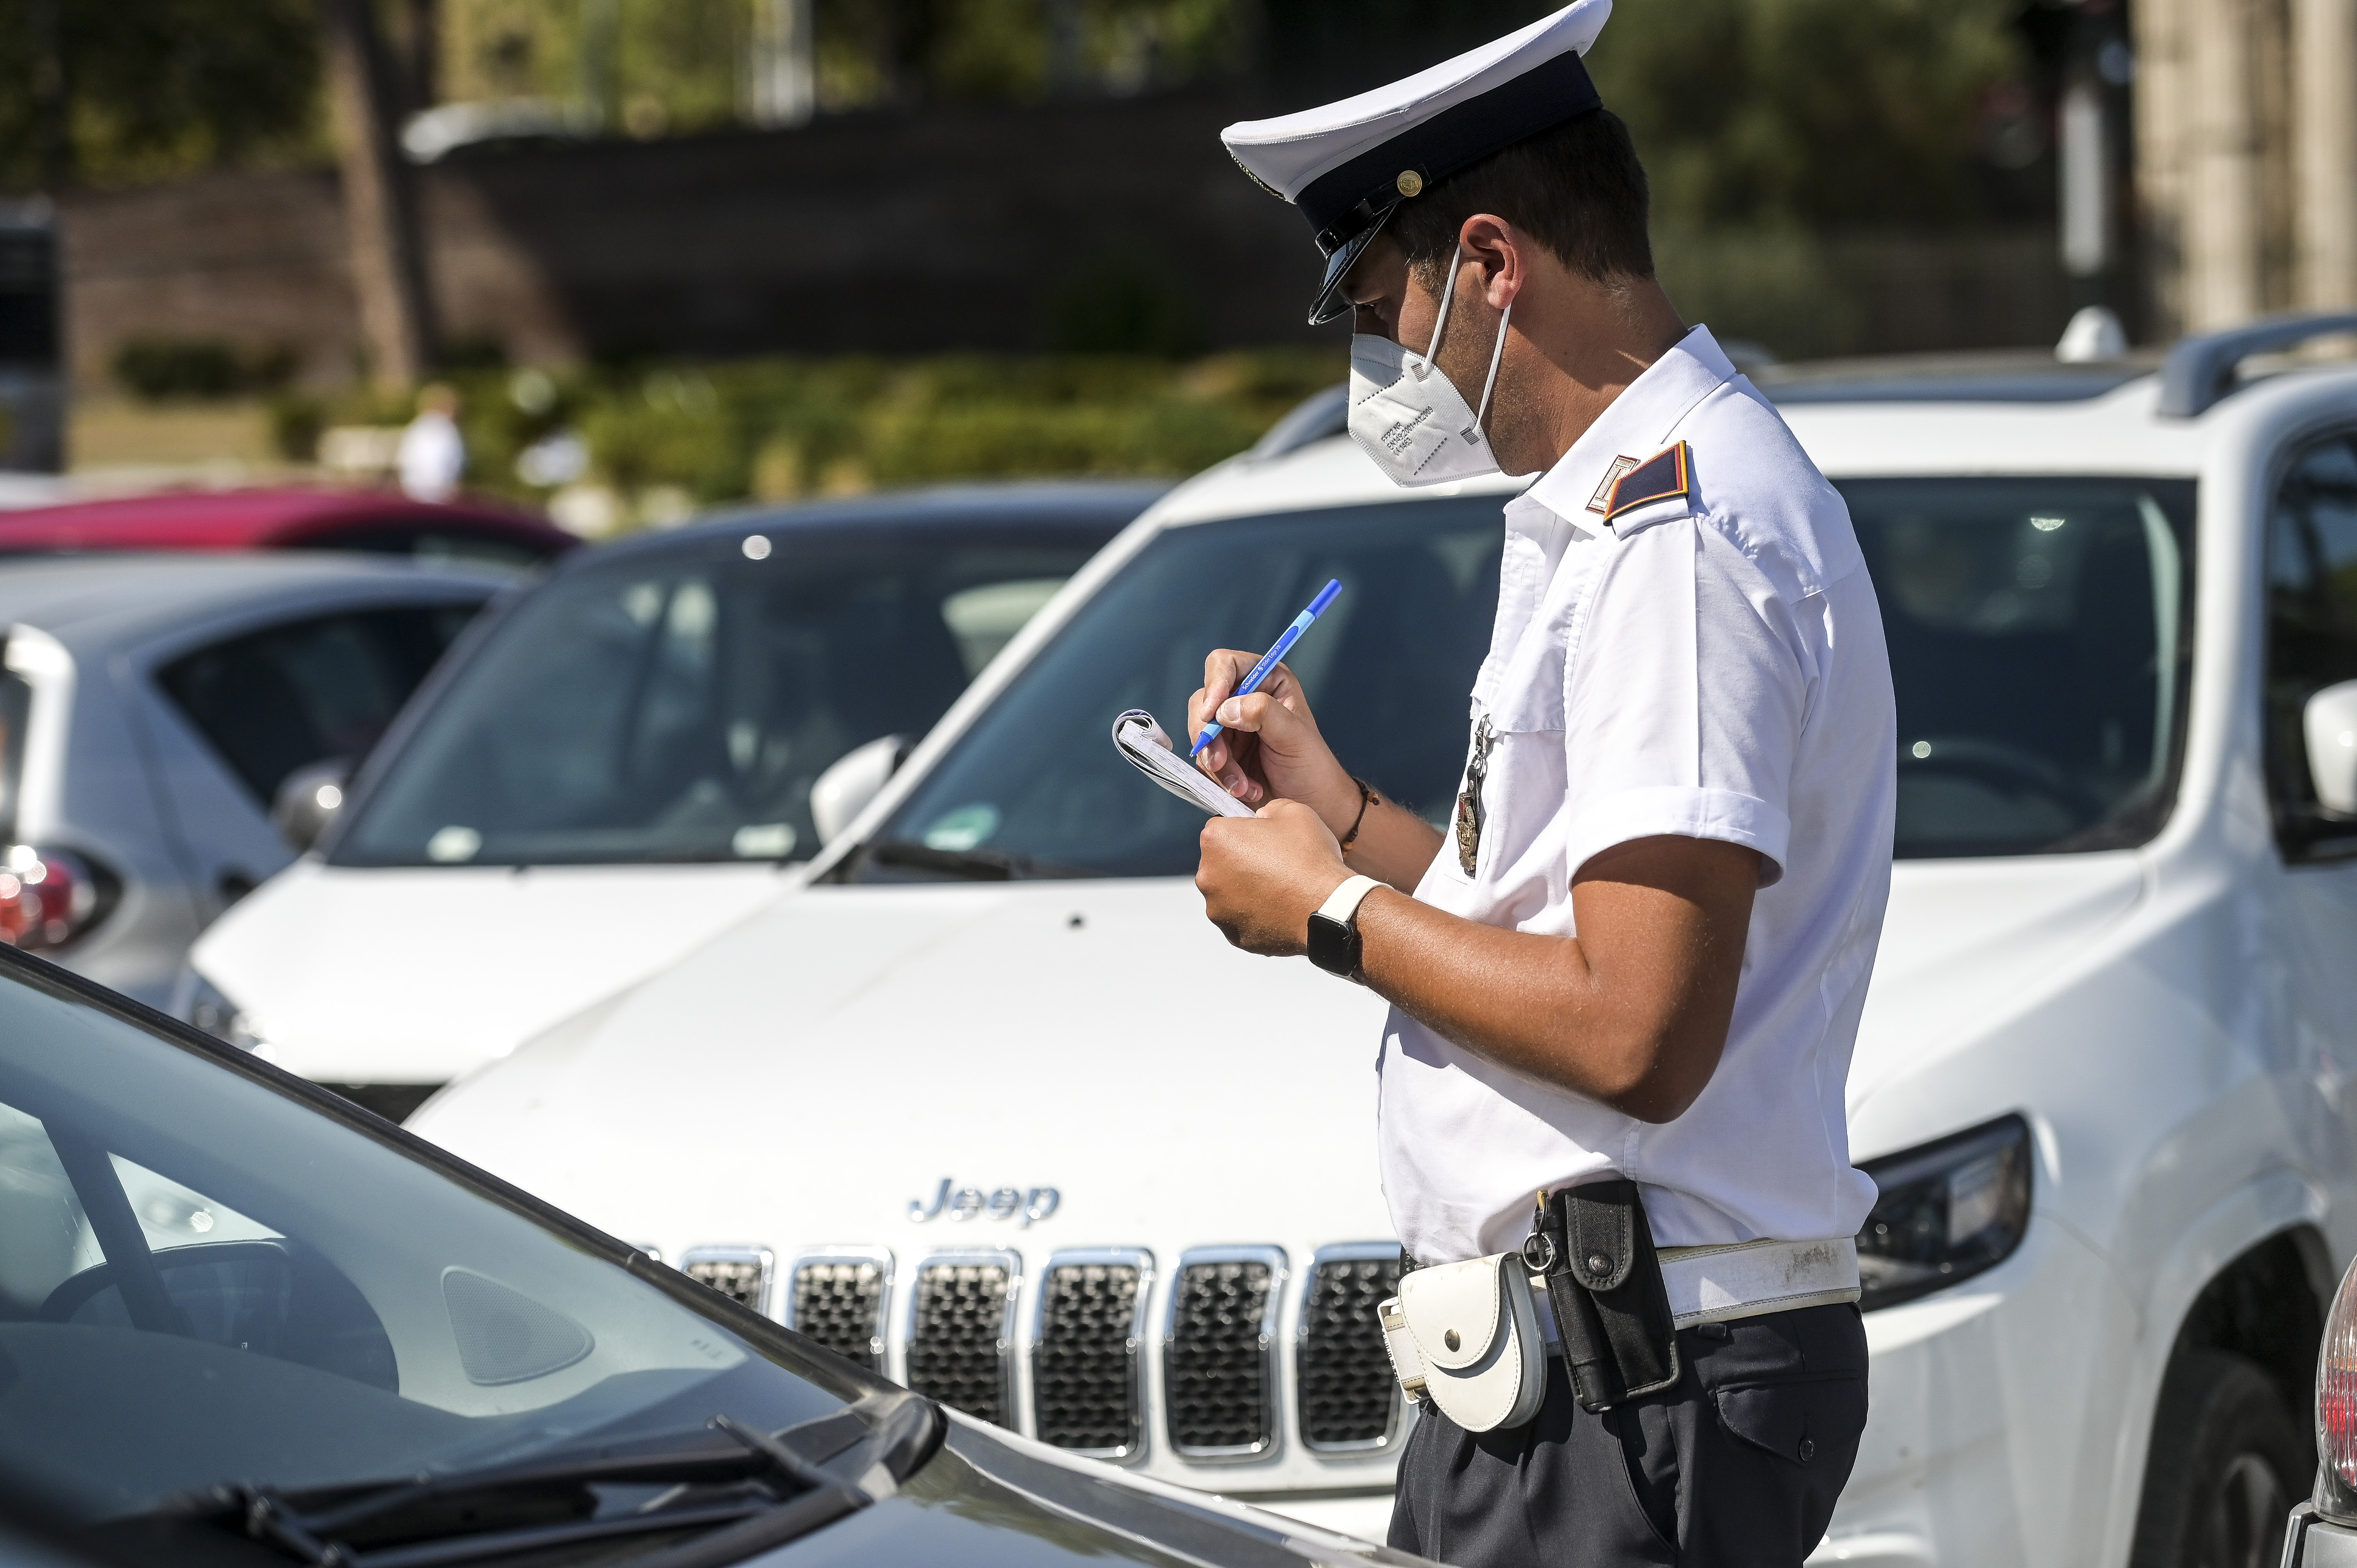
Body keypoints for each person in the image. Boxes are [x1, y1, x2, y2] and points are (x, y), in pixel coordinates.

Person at [1193, 5, 1896, 1566]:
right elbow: (1552, 913)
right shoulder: (1627, 512)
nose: (1386, 364)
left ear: (1496, 266)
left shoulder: (1678, 542)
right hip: (1592, 1373)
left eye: (1385, 307)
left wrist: (1330, 909)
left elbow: (1634, 1027)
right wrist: (1339, 807)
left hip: (1635, 1378)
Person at [397, 382, 467, 503]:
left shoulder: (416, 428)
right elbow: (447, 465)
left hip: (414, 496)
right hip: (441, 496)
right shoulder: (446, 429)